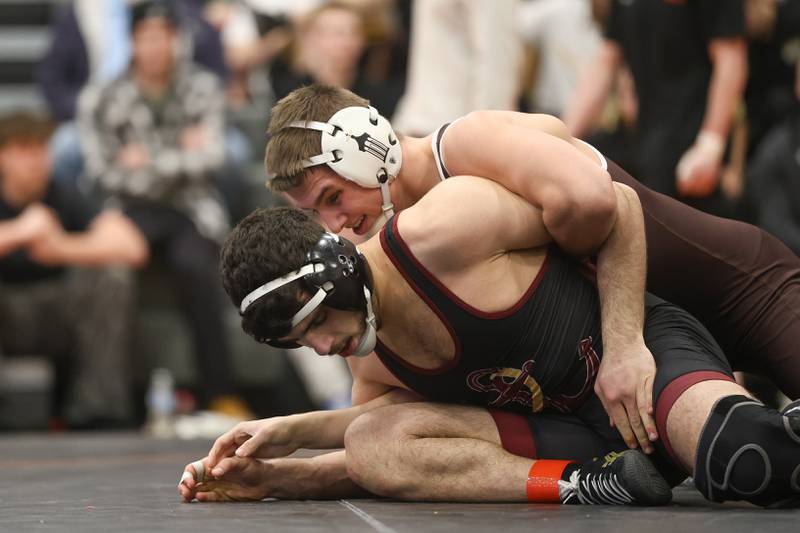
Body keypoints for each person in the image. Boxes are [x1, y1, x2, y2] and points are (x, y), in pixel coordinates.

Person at [180, 180, 800, 507]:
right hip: (589, 445)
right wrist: (277, 470)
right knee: (372, 436)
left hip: (638, 372)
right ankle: (584, 483)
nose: (318, 348)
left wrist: (623, 346)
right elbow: (392, 463)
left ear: (338, 272)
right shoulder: (372, 361)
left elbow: (616, 204)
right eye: (297, 343)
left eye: (314, 324)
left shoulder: (443, 231)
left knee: (748, 459)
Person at [260, 83, 800, 450]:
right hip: (675, 338)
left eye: (333, 197)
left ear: (368, 148)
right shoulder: (409, 236)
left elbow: (594, 202)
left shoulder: (467, 144)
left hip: (746, 293)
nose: (335, 226)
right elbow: (386, 408)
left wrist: (620, 335)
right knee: (747, 456)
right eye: (315, 215)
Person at [78, 0, 249, 418]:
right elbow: (101, 173)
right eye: (146, 37)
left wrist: (146, 160)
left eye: (163, 36)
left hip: (189, 208)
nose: (155, 46)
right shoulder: (102, 95)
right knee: (110, 276)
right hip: (128, 209)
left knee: (197, 266)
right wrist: (176, 158)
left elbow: (211, 158)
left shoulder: (202, 87)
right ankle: (108, 403)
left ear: (177, 40)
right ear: (133, 41)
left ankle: (219, 392)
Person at [0, 111, 148, 428]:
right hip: (7, 314)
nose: (35, 160)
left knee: (113, 276)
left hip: (56, 312)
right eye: (24, 149)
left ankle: (98, 413)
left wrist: (61, 248)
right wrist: (18, 232)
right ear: (3, 156)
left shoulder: (63, 192)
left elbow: (132, 246)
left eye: (41, 149)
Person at [565, 0, 748, 217]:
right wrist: (563, 135)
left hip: (689, 148)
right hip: (644, 140)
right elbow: (607, 58)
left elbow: (731, 58)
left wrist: (711, 144)